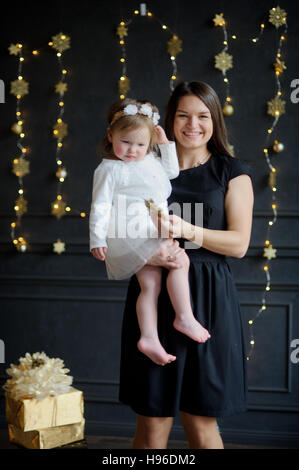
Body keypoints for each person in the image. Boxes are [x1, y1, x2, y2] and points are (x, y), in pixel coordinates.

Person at [119, 82, 254, 449]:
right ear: (171, 120)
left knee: (201, 422)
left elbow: (239, 244)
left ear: (214, 121)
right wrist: (147, 254)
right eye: (183, 115)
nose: (192, 124)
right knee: (152, 425)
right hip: (154, 298)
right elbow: (119, 231)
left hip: (208, 302)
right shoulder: (144, 166)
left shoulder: (232, 171)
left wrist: (186, 229)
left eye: (202, 116)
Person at [89, 98, 210, 367]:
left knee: (151, 284)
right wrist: (97, 238)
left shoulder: (151, 160)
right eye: (126, 142)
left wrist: (164, 144)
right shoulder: (109, 169)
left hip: (152, 229)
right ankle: (184, 316)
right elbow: (100, 206)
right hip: (131, 232)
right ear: (111, 136)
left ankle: (149, 338)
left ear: (150, 144)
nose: (132, 150)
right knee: (181, 261)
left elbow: (171, 171)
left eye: (141, 144)